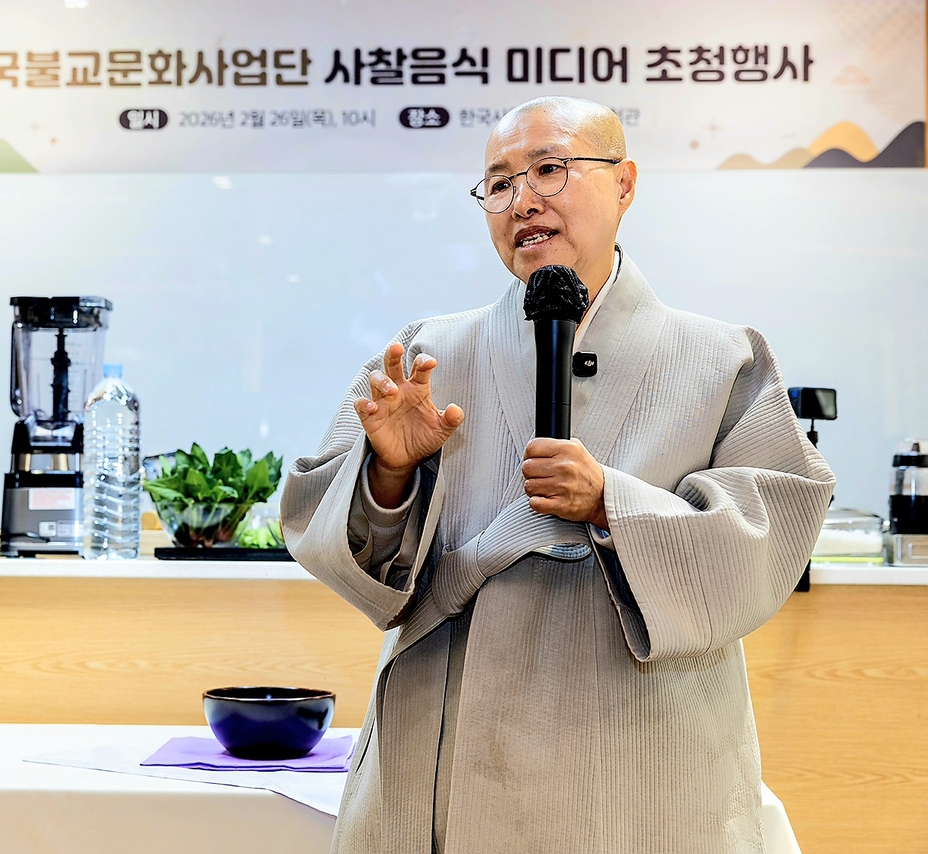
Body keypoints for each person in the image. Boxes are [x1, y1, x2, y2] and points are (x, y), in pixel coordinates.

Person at [282, 96, 834, 854]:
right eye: (500, 183)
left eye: (550, 169)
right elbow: (339, 546)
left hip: (641, 753)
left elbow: (771, 535)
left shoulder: (722, 359)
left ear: (625, 183)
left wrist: (613, 503)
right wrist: (388, 474)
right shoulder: (427, 354)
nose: (523, 200)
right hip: (448, 741)